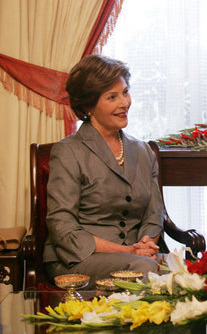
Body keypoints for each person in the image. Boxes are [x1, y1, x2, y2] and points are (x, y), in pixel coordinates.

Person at [43, 55, 166, 285]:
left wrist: (145, 244)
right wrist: (129, 252)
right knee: (145, 269)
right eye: (112, 97)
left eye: (125, 92)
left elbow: (154, 212)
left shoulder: (144, 151)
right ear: (89, 106)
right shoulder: (68, 151)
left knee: (190, 271)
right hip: (78, 257)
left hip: (138, 256)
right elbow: (62, 224)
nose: (125, 103)